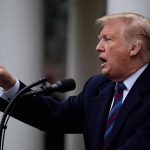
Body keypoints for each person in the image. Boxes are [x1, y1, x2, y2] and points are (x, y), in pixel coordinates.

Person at [1, 12, 150, 150]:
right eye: (99, 40)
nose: (98, 47)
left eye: (108, 39)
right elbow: (53, 117)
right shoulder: (97, 87)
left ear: (134, 48)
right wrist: (9, 84)